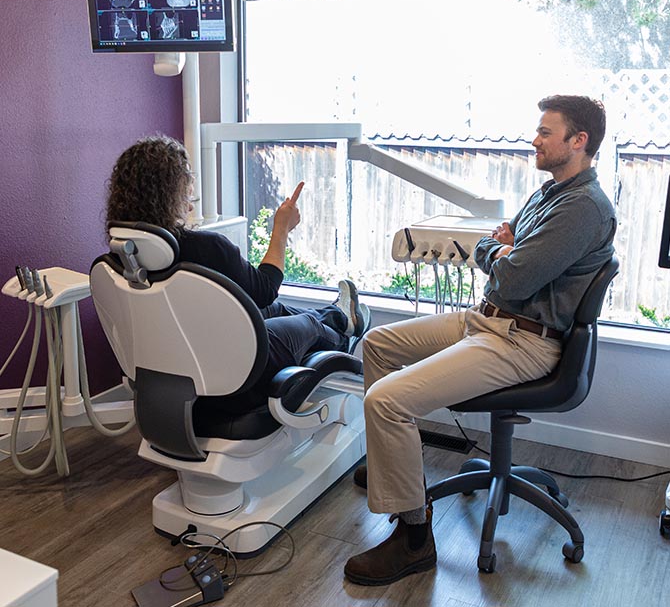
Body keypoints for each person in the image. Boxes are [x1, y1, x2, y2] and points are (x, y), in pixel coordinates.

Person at [344, 95, 617, 586]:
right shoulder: (551, 193)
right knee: (378, 345)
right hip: (487, 319)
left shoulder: (584, 209)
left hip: (522, 341)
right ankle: (394, 473)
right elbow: (510, 249)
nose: (535, 140)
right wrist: (507, 250)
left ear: (579, 142)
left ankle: (414, 539)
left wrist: (496, 251)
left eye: (546, 133)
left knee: (385, 402)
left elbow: (511, 274)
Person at [105, 135, 369, 429]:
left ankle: (337, 315)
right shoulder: (207, 248)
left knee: (274, 311)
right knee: (306, 323)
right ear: (171, 193)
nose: (191, 199)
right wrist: (281, 229)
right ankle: (343, 330)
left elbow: (259, 301)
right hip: (239, 379)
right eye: (187, 188)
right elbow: (264, 288)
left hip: (178, 376)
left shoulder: (121, 258)